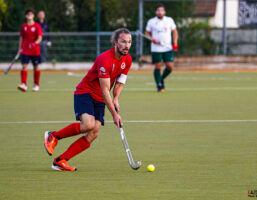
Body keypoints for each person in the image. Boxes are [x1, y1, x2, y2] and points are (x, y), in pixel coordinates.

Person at [44, 28, 133, 171]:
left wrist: (116, 98)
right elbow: (105, 90)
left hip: (99, 98)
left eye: (129, 42)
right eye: (123, 42)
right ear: (116, 42)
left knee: (93, 133)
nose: (127, 45)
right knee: (87, 125)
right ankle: (53, 136)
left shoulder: (127, 60)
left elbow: (119, 83)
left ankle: (60, 161)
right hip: (86, 92)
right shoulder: (104, 59)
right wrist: (114, 115)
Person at [145, 4, 178, 92]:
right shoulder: (151, 21)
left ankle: (161, 79)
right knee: (158, 66)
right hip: (156, 48)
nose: (160, 12)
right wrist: (152, 39)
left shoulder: (169, 20)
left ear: (164, 12)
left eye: (161, 10)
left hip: (167, 47)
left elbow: (174, 32)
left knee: (170, 66)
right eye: (158, 10)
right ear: (156, 12)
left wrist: (175, 42)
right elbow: (147, 34)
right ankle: (159, 85)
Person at [18, 8, 43, 92]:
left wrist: (34, 43)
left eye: (31, 14)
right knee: (24, 66)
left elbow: (40, 38)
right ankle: (23, 84)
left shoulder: (37, 26)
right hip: (25, 50)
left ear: (33, 16)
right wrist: (20, 48)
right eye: (28, 14)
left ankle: (36, 85)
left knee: (36, 67)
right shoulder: (23, 26)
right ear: (26, 16)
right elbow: (21, 38)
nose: (29, 15)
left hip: (35, 51)